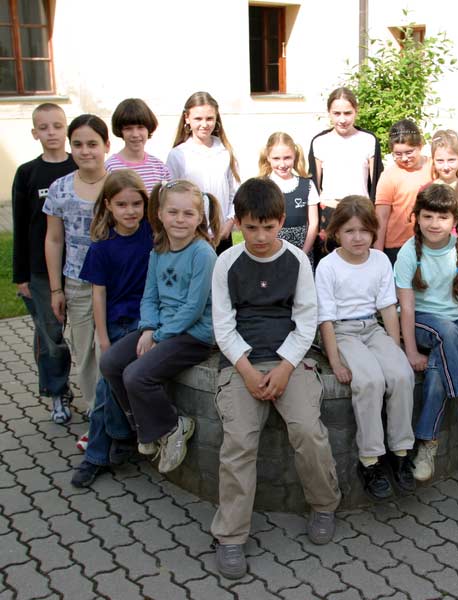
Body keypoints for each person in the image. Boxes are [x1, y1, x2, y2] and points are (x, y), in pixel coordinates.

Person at [210, 178, 341, 580]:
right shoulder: (226, 263)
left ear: (282, 221)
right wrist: (248, 372)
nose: (261, 237)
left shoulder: (297, 261)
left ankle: (324, 505)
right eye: (251, 228)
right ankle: (230, 536)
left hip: (290, 360)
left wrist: (284, 368)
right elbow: (223, 326)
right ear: (238, 224)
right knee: (239, 441)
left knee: (307, 431)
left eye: (268, 227)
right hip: (243, 363)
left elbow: (306, 321)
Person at [99, 180, 220, 475]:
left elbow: (193, 308)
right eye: (173, 212)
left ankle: (172, 426)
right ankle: (144, 426)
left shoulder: (202, 254)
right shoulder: (158, 251)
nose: (180, 220)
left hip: (194, 335)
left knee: (136, 375)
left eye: (188, 214)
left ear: (199, 218)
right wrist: (148, 329)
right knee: (111, 362)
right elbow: (149, 296)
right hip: (162, 328)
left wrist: (160, 336)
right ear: (160, 214)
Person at [315, 196, 415, 500]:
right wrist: (335, 361)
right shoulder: (328, 266)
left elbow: (387, 307)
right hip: (341, 331)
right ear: (336, 233)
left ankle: (400, 451)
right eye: (349, 231)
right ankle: (370, 460)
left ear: (374, 231)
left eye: (364, 230)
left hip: (372, 327)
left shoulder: (380, 260)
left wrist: (395, 348)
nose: (357, 238)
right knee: (369, 380)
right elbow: (325, 318)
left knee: (401, 374)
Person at [395, 184, 458, 482]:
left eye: (442, 217)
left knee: (438, 369)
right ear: (417, 217)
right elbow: (406, 308)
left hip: (453, 326)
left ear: (454, 220)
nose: (434, 224)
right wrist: (411, 351)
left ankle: (427, 445)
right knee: (445, 331)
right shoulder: (409, 252)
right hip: (420, 322)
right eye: (427, 216)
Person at [71, 170, 153, 487]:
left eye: (136, 204)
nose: (130, 211)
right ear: (108, 205)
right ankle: (104, 450)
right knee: (107, 386)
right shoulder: (102, 247)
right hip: (117, 324)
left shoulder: (152, 233)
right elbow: (98, 294)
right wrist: (103, 338)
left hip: (146, 321)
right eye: (122, 204)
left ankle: (115, 441)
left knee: (111, 386)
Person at [44, 114, 110, 425]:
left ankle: (116, 411)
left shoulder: (119, 185)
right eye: (78, 144)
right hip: (77, 283)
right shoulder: (60, 188)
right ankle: (96, 411)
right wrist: (56, 289)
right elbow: (54, 239)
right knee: (85, 352)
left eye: (92, 144)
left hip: (115, 284)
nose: (85, 151)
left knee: (109, 348)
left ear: (106, 145)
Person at [12, 103, 76, 424]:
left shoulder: (80, 165)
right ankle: (57, 392)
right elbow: (21, 225)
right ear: (34, 133)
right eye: (43, 127)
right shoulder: (27, 173)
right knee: (51, 337)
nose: (51, 132)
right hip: (40, 271)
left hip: (79, 268)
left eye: (57, 126)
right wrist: (21, 275)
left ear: (66, 129)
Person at [307, 87, 383, 263]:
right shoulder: (319, 142)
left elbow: (377, 185)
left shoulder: (368, 140)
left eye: (347, 113)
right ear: (329, 113)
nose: (342, 119)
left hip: (361, 212)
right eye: (337, 113)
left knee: (360, 264)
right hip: (329, 214)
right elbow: (314, 186)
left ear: (356, 111)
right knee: (328, 265)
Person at [166, 91, 239, 253]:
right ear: (187, 118)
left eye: (209, 118)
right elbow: (171, 197)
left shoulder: (225, 151)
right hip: (190, 236)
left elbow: (234, 191)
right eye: (198, 119)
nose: (204, 124)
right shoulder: (178, 154)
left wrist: (229, 223)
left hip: (222, 235)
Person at [374, 119, 432, 264]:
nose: (404, 158)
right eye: (398, 154)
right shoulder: (389, 176)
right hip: (397, 246)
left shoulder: (433, 166)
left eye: (409, 152)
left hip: (429, 244)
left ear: (420, 145)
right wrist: (378, 255)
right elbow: (381, 217)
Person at [257, 132, 319, 263]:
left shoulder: (307, 185)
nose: (282, 164)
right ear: (268, 157)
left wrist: (303, 253)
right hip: (270, 252)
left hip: (302, 251)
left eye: (287, 158)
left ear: (295, 156)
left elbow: (313, 223)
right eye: (276, 158)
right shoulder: (261, 186)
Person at [105, 98, 171, 193]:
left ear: (149, 128)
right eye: (128, 128)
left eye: (140, 127)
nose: (135, 134)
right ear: (120, 131)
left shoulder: (160, 168)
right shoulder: (110, 167)